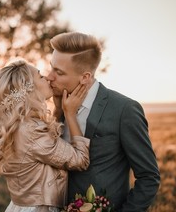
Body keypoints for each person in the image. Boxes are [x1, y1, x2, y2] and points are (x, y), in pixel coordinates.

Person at [46, 32, 161, 211]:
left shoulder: (124, 110)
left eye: (58, 72)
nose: (49, 76)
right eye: (51, 67)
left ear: (85, 77)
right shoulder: (57, 104)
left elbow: (149, 177)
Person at [0, 59, 90, 212]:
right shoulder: (31, 131)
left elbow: (47, 149)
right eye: (40, 76)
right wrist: (70, 113)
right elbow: (80, 160)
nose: (48, 78)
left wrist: (57, 110)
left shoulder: (16, 126)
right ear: (28, 89)